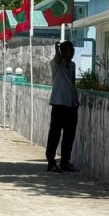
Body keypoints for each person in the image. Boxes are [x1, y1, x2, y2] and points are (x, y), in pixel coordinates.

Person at [46, 41, 80, 173]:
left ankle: (65, 162)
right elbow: (57, 59)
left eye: (73, 50)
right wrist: (57, 50)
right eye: (70, 50)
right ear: (64, 51)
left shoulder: (72, 65)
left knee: (69, 135)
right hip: (59, 103)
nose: (72, 53)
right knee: (55, 134)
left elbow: (72, 82)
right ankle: (51, 162)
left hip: (71, 104)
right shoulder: (56, 65)